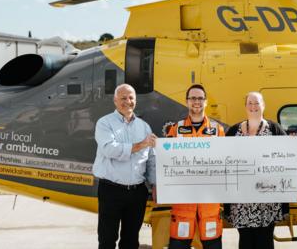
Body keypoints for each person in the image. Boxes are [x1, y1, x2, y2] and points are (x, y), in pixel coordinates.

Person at [92, 84, 157, 249]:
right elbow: (109, 149)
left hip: (137, 193)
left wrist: (155, 184)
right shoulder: (104, 123)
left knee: (131, 240)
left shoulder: (144, 127)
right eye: (123, 98)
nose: (128, 101)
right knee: (107, 239)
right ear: (115, 100)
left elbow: (151, 159)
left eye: (131, 98)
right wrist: (141, 144)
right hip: (111, 191)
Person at [225, 92, 288, 249]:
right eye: (250, 103)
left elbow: (287, 159)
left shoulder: (275, 129)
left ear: (263, 106)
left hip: (267, 200)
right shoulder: (233, 131)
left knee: (265, 240)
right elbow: (224, 161)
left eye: (257, 103)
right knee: (245, 240)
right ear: (245, 106)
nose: (253, 106)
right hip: (240, 202)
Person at [166, 84, 224, 249]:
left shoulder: (217, 130)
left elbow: (225, 162)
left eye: (200, 98)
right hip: (183, 205)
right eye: (193, 98)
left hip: (210, 206)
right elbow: (166, 162)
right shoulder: (176, 129)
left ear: (205, 102)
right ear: (187, 102)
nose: (196, 102)